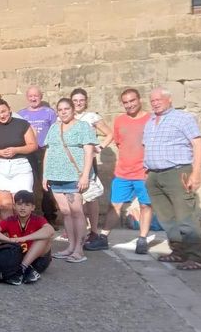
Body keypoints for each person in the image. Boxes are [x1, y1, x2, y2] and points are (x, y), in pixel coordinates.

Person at [142, 87, 201, 270]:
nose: (155, 103)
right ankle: (178, 251)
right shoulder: (150, 121)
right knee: (166, 218)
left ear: (169, 99)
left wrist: (196, 172)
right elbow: (147, 147)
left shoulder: (182, 118)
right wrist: (146, 171)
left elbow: (197, 144)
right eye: (152, 100)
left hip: (177, 172)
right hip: (154, 175)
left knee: (185, 216)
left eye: (159, 99)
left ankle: (196, 257)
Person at [85, 88, 152, 254]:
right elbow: (120, 143)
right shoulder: (120, 120)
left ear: (139, 99)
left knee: (145, 205)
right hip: (123, 172)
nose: (129, 105)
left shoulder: (150, 119)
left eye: (132, 100)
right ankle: (103, 238)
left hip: (144, 172)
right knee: (114, 205)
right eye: (126, 102)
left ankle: (142, 239)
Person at [43, 98, 97, 264]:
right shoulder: (54, 128)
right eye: (60, 109)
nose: (63, 112)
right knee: (65, 212)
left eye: (66, 108)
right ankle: (70, 246)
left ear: (73, 109)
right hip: (55, 176)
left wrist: (85, 175)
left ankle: (79, 249)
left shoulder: (83, 127)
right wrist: (45, 175)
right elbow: (48, 151)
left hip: (74, 176)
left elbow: (89, 152)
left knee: (77, 212)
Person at [70, 88, 114, 244]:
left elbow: (110, 134)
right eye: (75, 100)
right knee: (73, 196)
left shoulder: (91, 117)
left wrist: (99, 148)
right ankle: (76, 229)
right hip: (71, 161)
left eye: (81, 100)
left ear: (86, 101)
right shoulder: (66, 115)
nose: (78, 103)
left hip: (87, 160)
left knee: (91, 196)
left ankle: (94, 231)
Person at [0, 99, 38, 220]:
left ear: (9, 109)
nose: (1, 115)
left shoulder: (23, 124)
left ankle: (23, 231)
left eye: (4, 111)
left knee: (21, 204)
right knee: (4, 205)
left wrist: (16, 150)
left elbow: (33, 145)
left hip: (20, 166)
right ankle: (10, 231)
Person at [0, 190, 54, 285]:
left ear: (33, 207)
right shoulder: (10, 220)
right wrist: (8, 240)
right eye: (19, 204)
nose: (23, 208)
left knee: (45, 237)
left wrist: (24, 238)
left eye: (27, 205)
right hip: (16, 258)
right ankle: (22, 270)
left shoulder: (38, 219)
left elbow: (50, 230)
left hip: (37, 260)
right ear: (14, 206)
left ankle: (22, 268)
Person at [18, 86, 58, 222]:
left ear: (41, 96)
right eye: (31, 96)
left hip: (45, 151)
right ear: (27, 97)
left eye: (36, 96)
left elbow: (56, 131)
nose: (33, 98)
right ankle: (31, 216)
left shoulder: (49, 113)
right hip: (28, 152)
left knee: (46, 184)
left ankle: (50, 217)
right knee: (30, 184)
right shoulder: (21, 114)